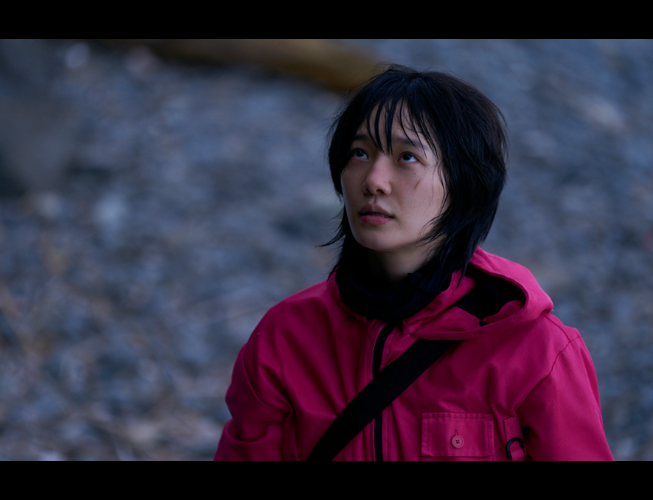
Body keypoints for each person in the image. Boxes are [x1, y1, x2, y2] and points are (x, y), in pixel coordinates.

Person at [214, 65, 614, 461]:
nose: (374, 179)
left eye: (406, 157)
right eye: (359, 153)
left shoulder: (536, 351)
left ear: (464, 184)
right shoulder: (285, 339)